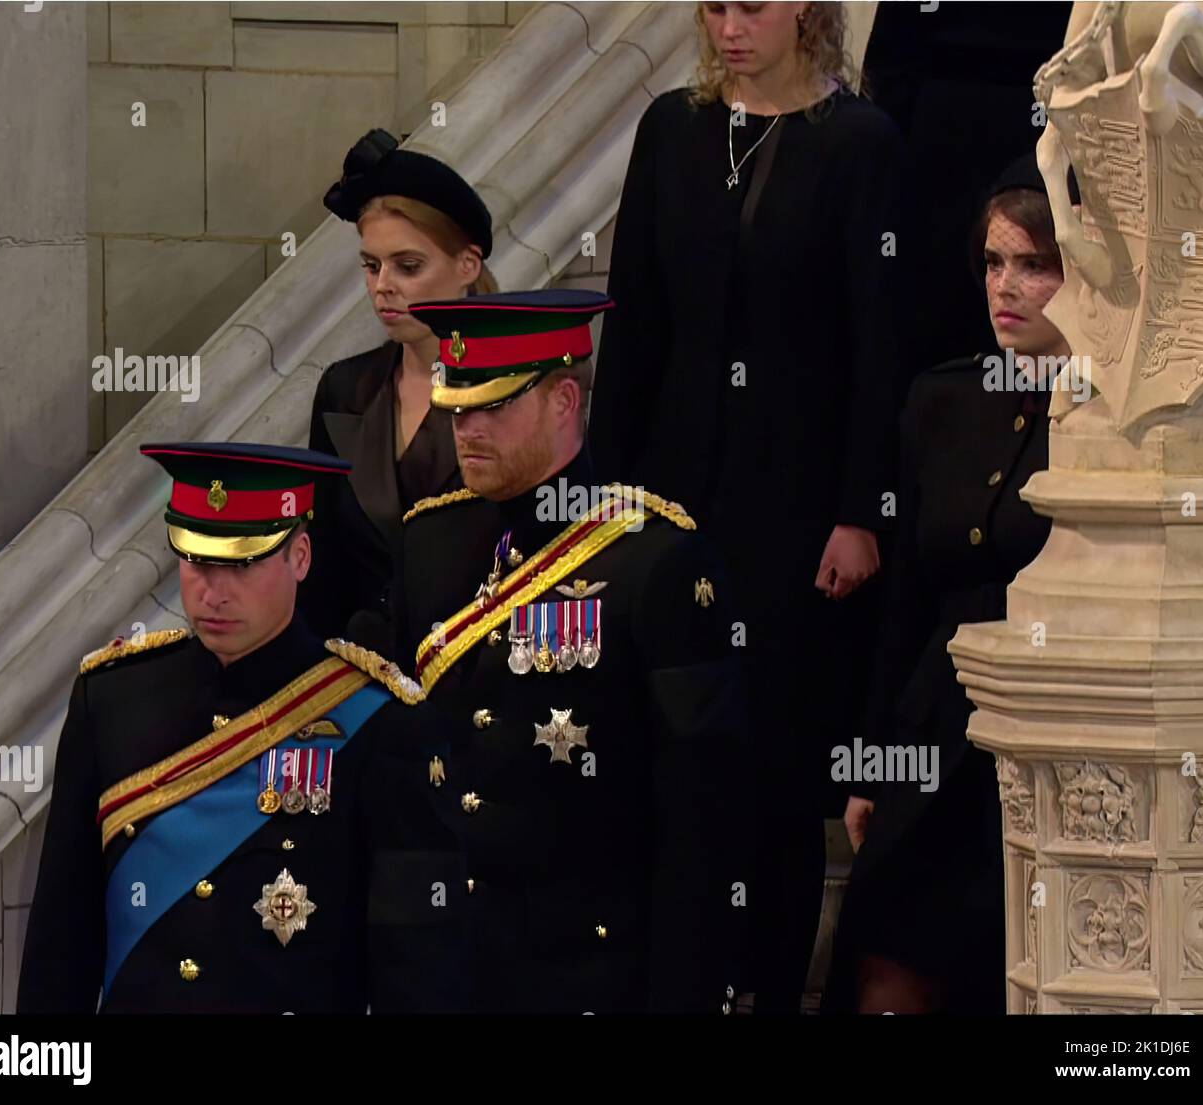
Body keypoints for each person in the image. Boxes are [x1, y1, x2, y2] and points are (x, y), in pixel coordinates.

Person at [587, 1, 904, 1012]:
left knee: (770, 782)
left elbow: (876, 344)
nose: (730, 26)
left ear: (804, 9)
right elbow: (632, 325)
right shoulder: (669, 129)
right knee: (663, 761)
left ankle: (765, 994)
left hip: (795, 506)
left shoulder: (855, 142)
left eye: (752, 6)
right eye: (714, 7)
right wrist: (605, 501)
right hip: (671, 498)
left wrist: (860, 511)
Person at [389, 289, 752, 1013]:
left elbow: (699, 821)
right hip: (449, 956)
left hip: (587, 964)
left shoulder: (656, 559)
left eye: (493, 406)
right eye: (459, 408)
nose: (469, 429)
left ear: (563, 402)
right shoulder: (430, 540)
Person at [17, 441, 465, 1013]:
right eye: (198, 561)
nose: (213, 590)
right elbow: (62, 940)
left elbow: (418, 968)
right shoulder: (111, 696)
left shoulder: (379, 720)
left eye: (242, 562)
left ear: (299, 557)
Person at [825, 153, 1070, 1014]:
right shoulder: (942, 399)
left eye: (1035, 264)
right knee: (886, 967)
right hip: (936, 729)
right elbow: (904, 607)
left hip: (1051, 738)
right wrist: (871, 759)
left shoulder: (1117, 417)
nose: (1006, 286)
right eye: (995, 262)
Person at [302, 127, 500, 646]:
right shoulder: (343, 391)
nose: (382, 285)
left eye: (407, 266)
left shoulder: (516, 389)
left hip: (477, 677)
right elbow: (320, 571)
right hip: (361, 681)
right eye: (371, 265)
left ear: (467, 265)